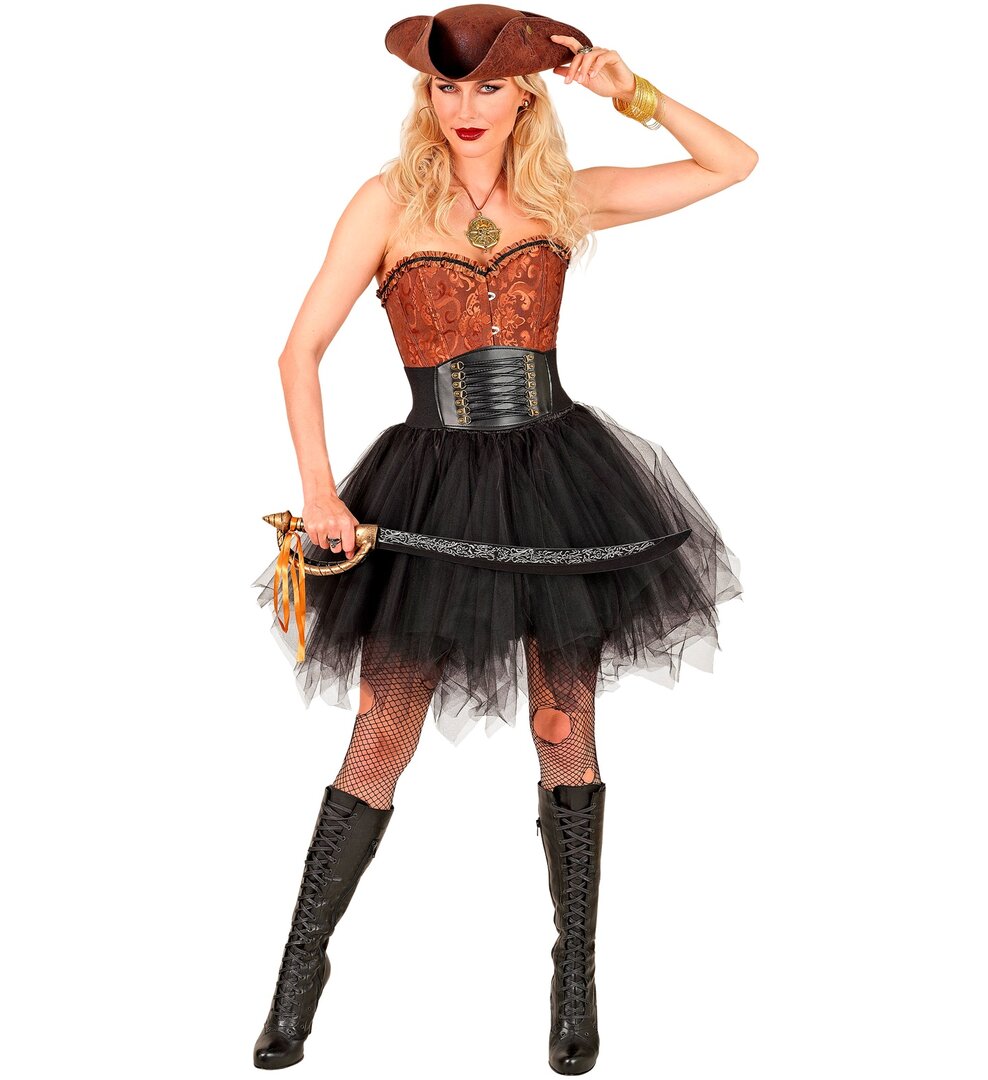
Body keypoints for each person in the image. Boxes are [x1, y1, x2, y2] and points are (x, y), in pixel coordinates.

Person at [251, 5, 753, 1074]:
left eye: (488, 86)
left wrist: (631, 93)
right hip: (427, 489)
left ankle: (574, 984)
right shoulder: (387, 202)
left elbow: (732, 164)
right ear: (425, 95)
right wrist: (320, 495)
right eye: (447, 86)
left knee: (562, 724)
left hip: (557, 484)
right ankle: (297, 979)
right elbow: (298, 353)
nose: (466, 106)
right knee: (380, 733)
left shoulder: (562, 196)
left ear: (525, 94)